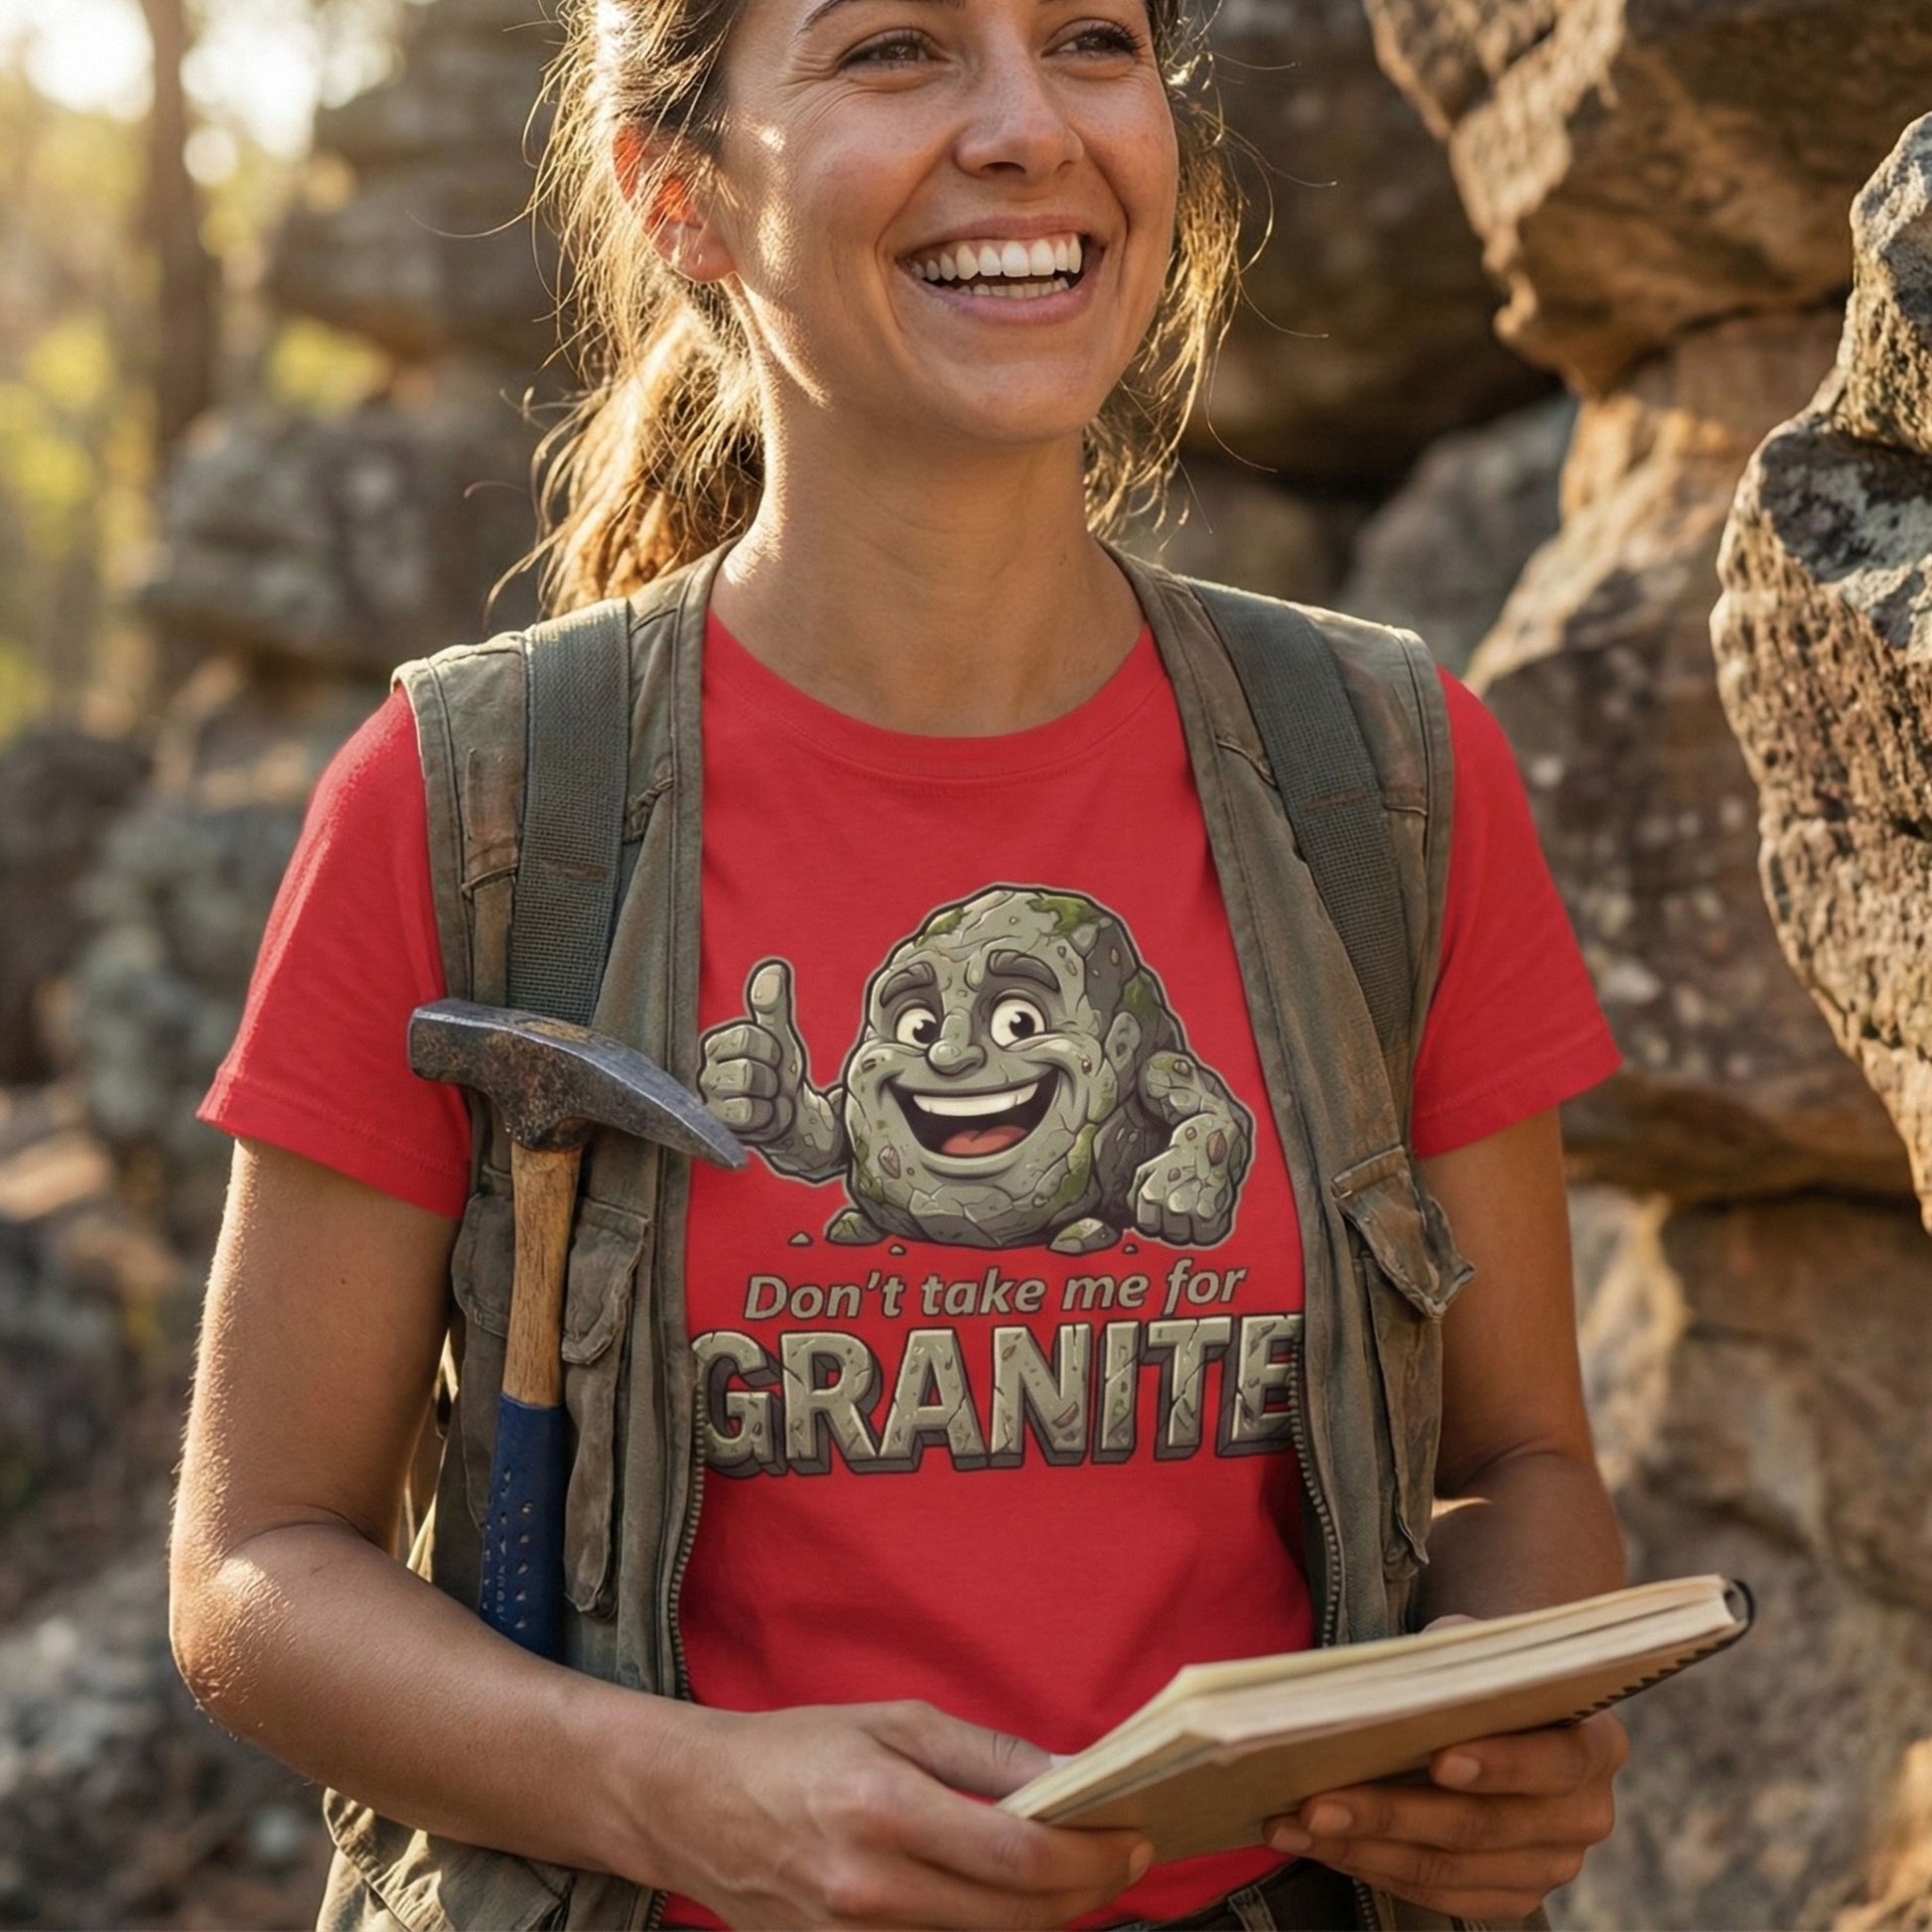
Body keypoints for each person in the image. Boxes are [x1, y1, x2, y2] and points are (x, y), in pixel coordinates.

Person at [167, 0, 1632, 1921]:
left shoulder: (1380, 777)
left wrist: (1503, 1724)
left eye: (1092, 39)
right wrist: (664, 1790)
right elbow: (257, 1562)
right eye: (897, 50)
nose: (1028, 126)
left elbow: (1518, 1460)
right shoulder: (477, 806)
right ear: (677, 194)